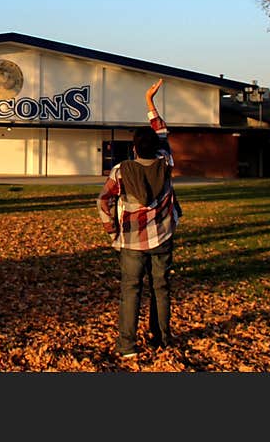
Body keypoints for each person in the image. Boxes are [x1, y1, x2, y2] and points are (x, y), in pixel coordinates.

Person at [97, 79, 181, 359]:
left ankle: (127, 346)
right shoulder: (166, 163)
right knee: (161, 289)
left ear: (134, 148)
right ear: (155, 148)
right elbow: (163, 133)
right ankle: (162, 339)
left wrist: (112, 231)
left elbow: (103, 200)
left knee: (130, 291)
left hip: (131, 241)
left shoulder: (121, 171)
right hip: (163, 237)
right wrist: (150, 102)